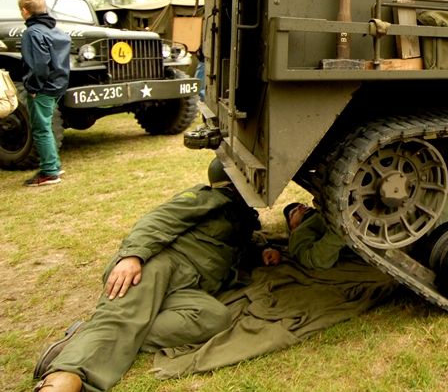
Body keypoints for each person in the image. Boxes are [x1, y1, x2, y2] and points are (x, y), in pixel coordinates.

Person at [33, 158, 273, 392]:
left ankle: (90, 335)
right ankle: (64, 376)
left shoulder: (241, 218)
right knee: (120, 319)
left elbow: (234, 247)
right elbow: (158, 220)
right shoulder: (209, 198)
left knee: (215, 318)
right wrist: (133, 256)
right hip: (158, 265)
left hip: (188, 287)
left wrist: (263, 250)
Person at [18, 0, 71, 187]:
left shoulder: (32, 33)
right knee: (46, 126)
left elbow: (38, 64)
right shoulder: (56, 31)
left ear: (25, 11)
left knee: (41, 129)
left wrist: (32, 87)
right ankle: (54, 165)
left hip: (43, 88)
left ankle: (49, 171)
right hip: (58, 85)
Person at [283, 202, 348, 270]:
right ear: (291, 226)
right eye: (294, 211)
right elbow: (314, 259)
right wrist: (341, 232)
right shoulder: (297, 233)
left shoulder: (321, 211)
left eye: (303, 205)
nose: (301, 207)